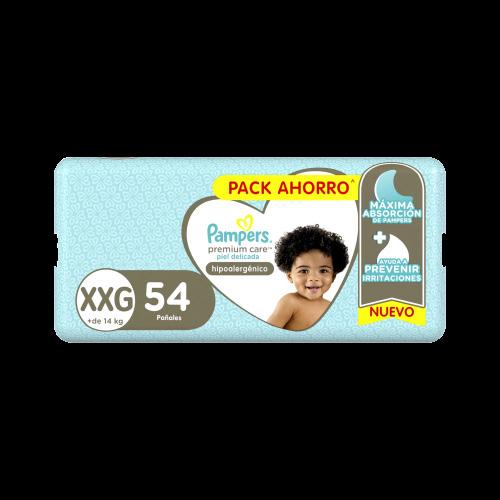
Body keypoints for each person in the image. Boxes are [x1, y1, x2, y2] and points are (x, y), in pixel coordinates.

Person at [267, 225, 349, 331]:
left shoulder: (332, 307)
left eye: (323, 271)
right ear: (290, 276)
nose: (313, 278)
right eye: (304, 271)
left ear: (333, 276)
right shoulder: (290, 302)